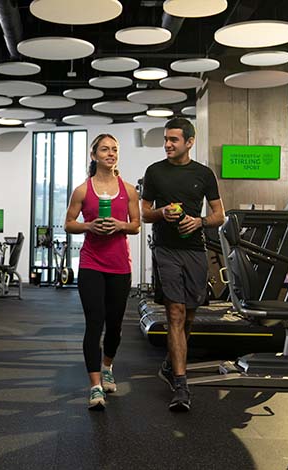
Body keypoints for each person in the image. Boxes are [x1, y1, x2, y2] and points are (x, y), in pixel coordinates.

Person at [140, 117, 225, 412]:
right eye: (166, 139)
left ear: (189, 142)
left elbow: (219, 215)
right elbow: (144, 213)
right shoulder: (154, 172)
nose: (167, 144)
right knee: (174, 313)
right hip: (166, 249)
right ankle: (181, 384)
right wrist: (162, 212)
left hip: (195, 250)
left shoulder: (203, 174)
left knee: (189, 316)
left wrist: (199, 221)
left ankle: (168, 364)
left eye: (174, 140)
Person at [65, 133, 140, 411]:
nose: (111, 154)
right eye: (105, 149)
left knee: (115, 325)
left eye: (115, 149)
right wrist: (90, 226)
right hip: (91, 264)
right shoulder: (83, 190)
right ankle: (95, 386)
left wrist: (119, 225)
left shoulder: (129, 190)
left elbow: (135, 225)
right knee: (94, 323)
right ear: (94, 155)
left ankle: (107, 365)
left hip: (120, 266)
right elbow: (69, 223)